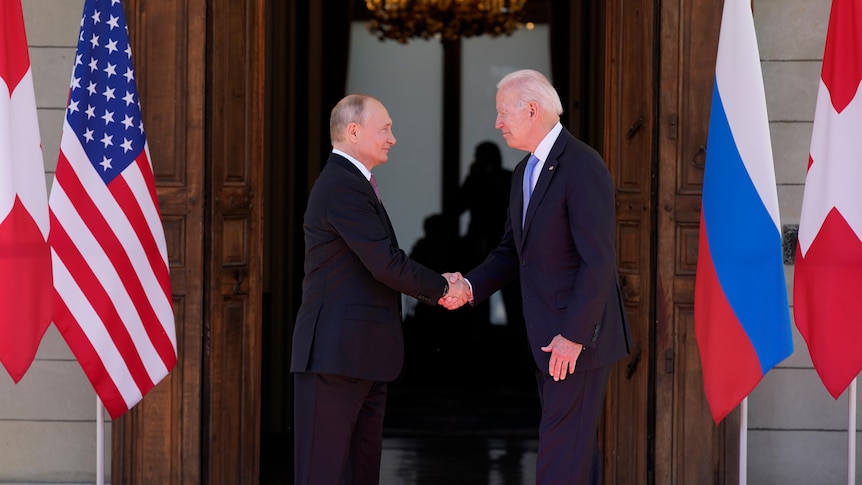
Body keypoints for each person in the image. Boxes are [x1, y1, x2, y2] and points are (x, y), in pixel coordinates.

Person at [444, 69, 633, 484]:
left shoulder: (582, 165)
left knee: (560, 454)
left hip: (575, 342)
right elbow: (513, 252)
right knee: (575, 453)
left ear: (532, 110)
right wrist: (469, 287)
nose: (497, 123)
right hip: (548, 339)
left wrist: (574, 336)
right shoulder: (523, 173)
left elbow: (597, 261)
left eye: (502, 113)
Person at [290, 93, 470, 485]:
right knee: (322, 474)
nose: (392, 138)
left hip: (361, 357)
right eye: (385, 128)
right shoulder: (342, 185)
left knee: (361, 473)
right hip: (335, 358)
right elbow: (385, 263)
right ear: (353, 131)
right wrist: (444, 287)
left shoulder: (354, 182)